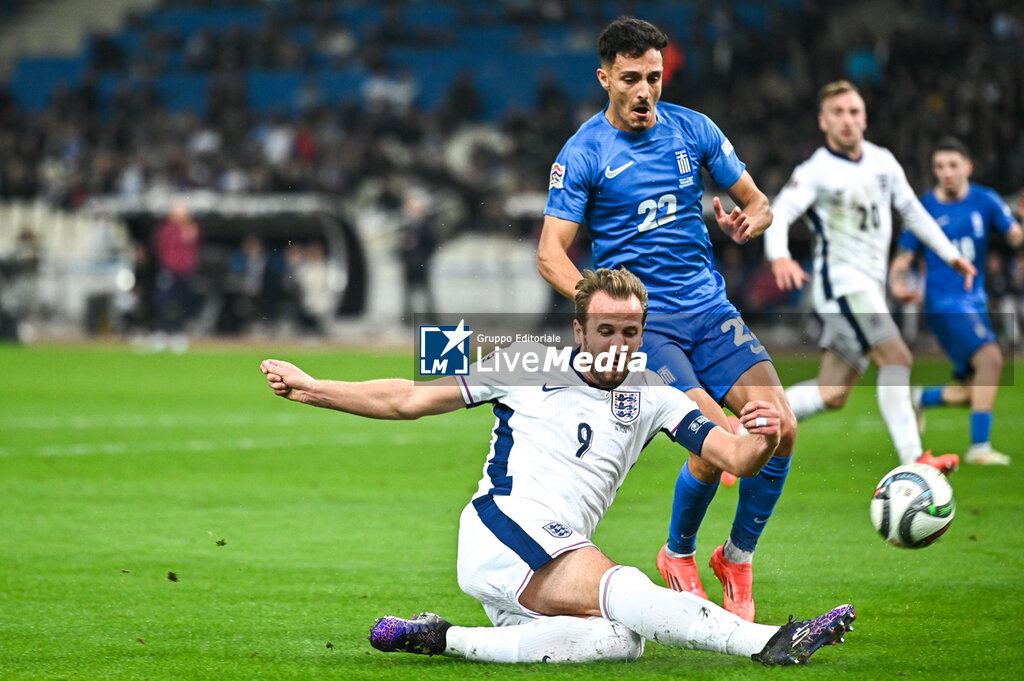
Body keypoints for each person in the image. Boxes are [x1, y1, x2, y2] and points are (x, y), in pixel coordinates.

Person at [261, 268, 855, 665]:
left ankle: (442, 637)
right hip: (502, 526)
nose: (619, 343)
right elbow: (410, 398)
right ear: (579, 329)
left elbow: (734, 457)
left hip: (553, 553)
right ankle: (769, 643)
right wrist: (314, 389)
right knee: (623, 587)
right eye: (606, 331)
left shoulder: (658, 392)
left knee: (623, 641)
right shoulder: (526, 360)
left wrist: (765, 436)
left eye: (631, 331)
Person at [537, 16, 787, 622]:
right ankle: (677, 553)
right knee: (723, 442)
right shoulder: (585, 152)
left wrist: (752, 219)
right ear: (604, 78)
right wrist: (604, 311)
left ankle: (735, 555)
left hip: (710, 308)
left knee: (780, 429)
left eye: (653, 77)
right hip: (651, 329)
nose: (644, 90)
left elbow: (758, 202)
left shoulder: (694, 129)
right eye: (630, 79)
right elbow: (550, 254)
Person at [764, 81, 977, 475]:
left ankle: (745, 435)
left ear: (864, 117)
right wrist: (779, 256)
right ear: (823, 122)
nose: (848, 120)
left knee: (833, 392)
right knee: (897, 356)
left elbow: (913, 211)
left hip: (868, 289)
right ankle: (916, 463)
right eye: (838, 113)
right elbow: (780, 214)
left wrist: (950, 255)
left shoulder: (882, 161)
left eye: (854, 112)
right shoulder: (815, 171)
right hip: (842, 287)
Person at [890, 137, 1022, 465]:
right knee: (991, 359)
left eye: (953, 165)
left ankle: (916, 399)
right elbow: (904, 256)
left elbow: (1014, 238)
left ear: (968, 167)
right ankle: (979, 448)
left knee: (973, 390)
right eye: (939, 166)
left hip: (974, 302)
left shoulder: (986, 201)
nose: (946, 172)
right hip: (943, 302)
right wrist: (897, 279)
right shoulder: (924, 208)